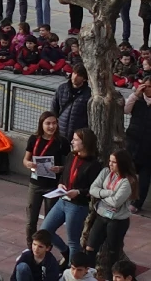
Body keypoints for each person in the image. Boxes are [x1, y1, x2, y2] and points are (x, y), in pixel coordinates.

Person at [39, 127, 102, 264]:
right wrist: (61, 184)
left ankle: (71, 270)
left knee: (73, 241)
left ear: (84, 143)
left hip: (77, 205)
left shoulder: (94, 165)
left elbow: (93, 188)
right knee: (45, 230)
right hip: (63, 200)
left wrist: (78, 192)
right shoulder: (71, 156)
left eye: (75, 140)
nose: (72, 142)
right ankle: (65, 252)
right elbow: (64, 175)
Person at [84, 149, 136, 269]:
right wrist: (109, 192)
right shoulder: (105, 172)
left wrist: (100, 196)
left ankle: (111, 276)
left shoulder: (128, 181)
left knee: (113, 251)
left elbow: (116, 202)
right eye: (110, 161)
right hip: (101, 215)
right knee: (90, 247)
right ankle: (90, 273)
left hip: (117, 220)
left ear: (122, 164)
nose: (110, 164)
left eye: (114, 162)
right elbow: (92, 189)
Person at [23, 111, 69, 244]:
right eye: (48, 123)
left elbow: (68, 164)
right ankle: (30, 245)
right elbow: (25, 160)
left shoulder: (62, 142)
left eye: (54, 123)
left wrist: (59, 168)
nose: (51, 126)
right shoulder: (34, 139)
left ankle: (45, 246)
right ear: (41, 124)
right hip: (35, 183)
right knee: (31, 219)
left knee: (49, 221)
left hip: (52, 186)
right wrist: (29, 164)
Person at [124, 78, 151, 212]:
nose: (147, 89)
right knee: (127, 172)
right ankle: (121, 197)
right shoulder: (137, 100)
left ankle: (137, 204)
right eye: (145, 86)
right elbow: (126, 109)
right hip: (132, 142)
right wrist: (135, 94)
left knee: (145, 177)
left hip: (148, 146)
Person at [52, 65, 91, 141]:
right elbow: (54, 109)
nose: (75, 77)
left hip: (77, 137)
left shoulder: (88, 94)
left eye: (79, 75)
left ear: (84, 79)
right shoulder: (62, 89)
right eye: (74, 73)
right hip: (60, 133)